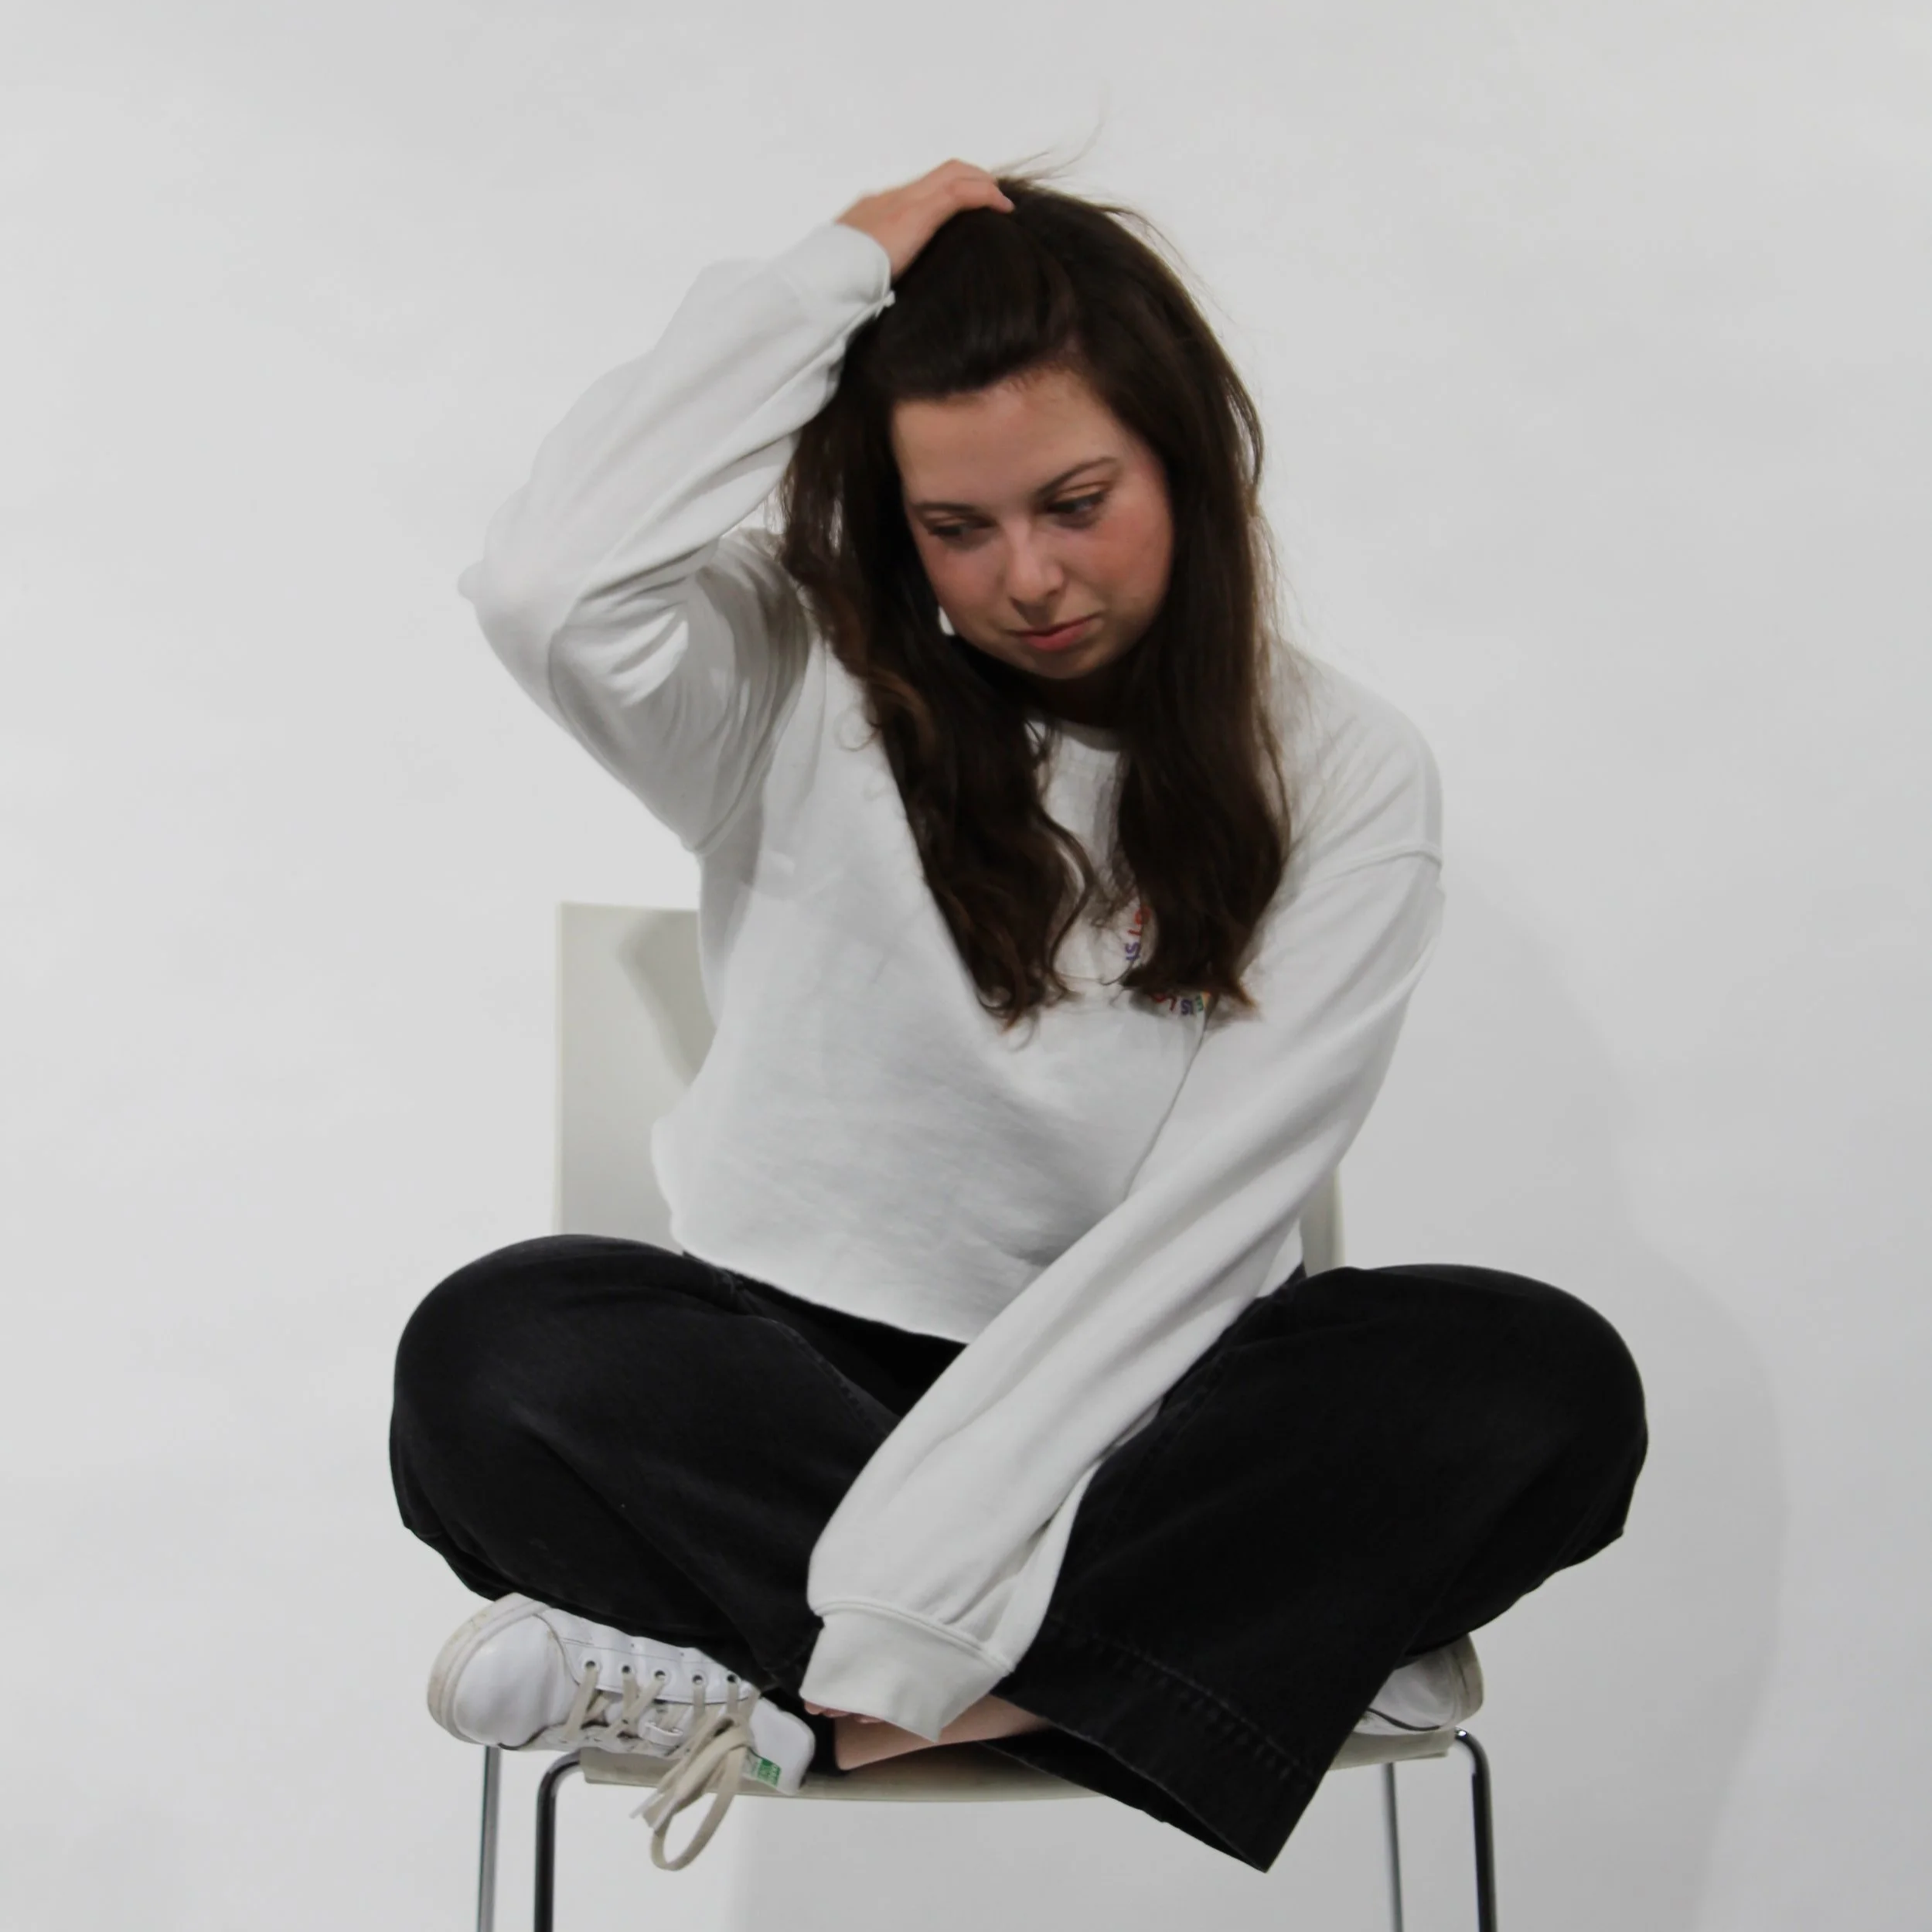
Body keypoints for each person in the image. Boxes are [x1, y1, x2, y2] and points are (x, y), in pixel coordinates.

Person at [390, 156, 1648, 1875]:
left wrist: (906, 1631)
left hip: (1153, 1393)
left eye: (1077, 501)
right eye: (957, 527)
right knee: (495, 1356)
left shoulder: (1346, 772)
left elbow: (1207, 1222)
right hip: (798, 1374)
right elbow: (547, 584)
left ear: (1188, 462)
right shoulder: (789, 666)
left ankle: (800, 1718)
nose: (1029, 578)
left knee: (1538, 1380)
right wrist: (834, 270)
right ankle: (1244, 1662)